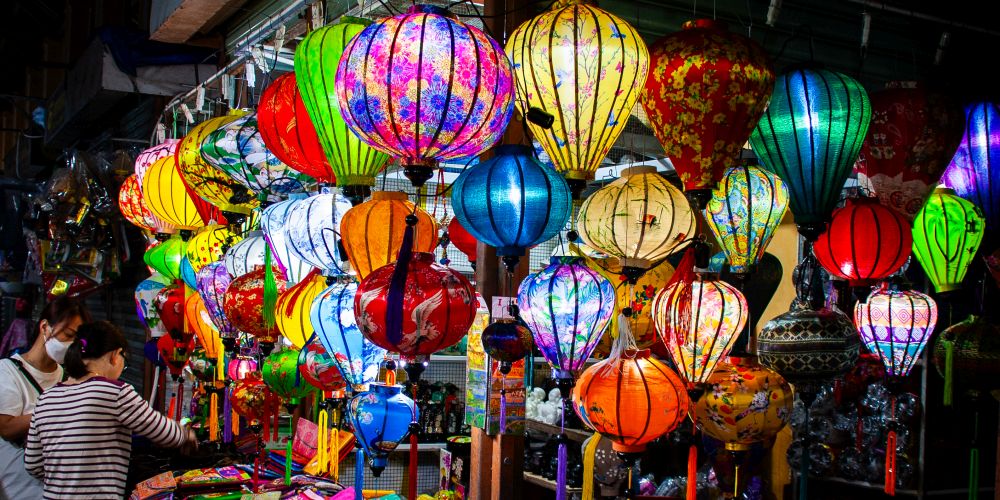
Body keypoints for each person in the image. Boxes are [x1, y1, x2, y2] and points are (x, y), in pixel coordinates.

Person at [25, 321, 197, 499]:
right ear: (115, 355)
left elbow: (33, 464)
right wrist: (187, 435)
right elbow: (162, 431)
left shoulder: (46, 398)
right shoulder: (114, 391)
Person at [0, 295, 90, 499]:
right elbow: (5, 427)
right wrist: (53, 409)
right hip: (19, 491)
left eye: (77, 341)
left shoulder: (69, 377)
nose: (71, 345)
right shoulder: (7, 372)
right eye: (68, 335)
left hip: (59, 491)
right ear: (44, 327)